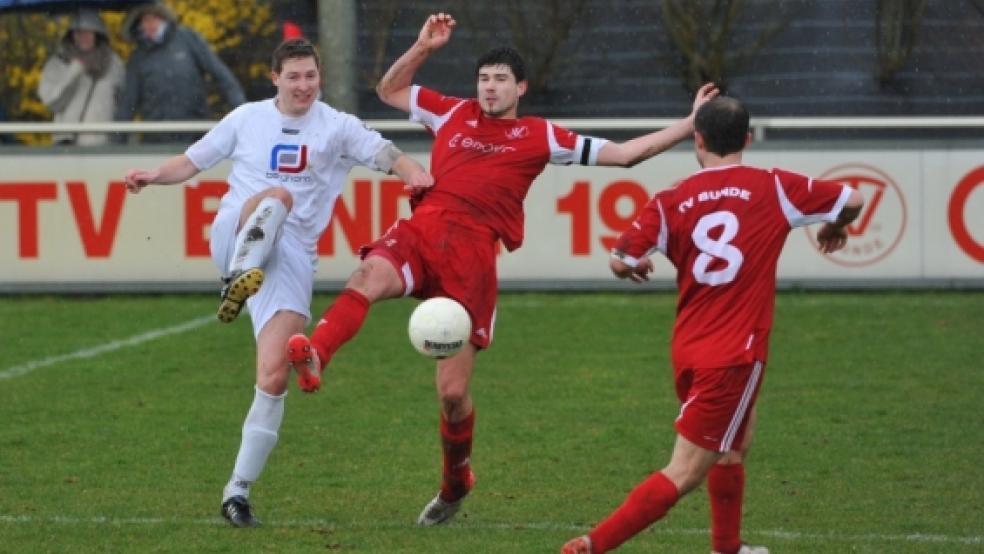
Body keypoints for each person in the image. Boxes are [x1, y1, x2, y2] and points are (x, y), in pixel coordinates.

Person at [284, 12, 719, 526]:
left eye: (500, 80)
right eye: (484, 79)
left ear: (520, 87)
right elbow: (389, 90)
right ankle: (317, 353)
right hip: (422, 232)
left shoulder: (540, 136)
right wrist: (424, 45)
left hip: (470, 262)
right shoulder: (452, 113)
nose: (489, 88)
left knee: (451, 396)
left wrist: (691, 125)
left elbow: (623, 155)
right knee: (366, 277)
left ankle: (454, 482)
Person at [122, 38, 432, 528]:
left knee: (273, 375)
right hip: (235, 230)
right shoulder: (247, 118)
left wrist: (416, 174)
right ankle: (238, 273)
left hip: (290, 258)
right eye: (294, 76)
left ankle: (237, 493)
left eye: (311, 75)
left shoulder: (336, 126)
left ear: (319, 77)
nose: (304, 85)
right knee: (278, 195)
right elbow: (191, 161)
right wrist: (151, 175)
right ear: (275, 79)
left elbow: (388, 154)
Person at [560, 96, 865, 554]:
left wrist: (632, 269)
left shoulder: (671, 198)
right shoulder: (774, 187)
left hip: (689, 347)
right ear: (746, 138)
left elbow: (620, 259)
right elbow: (854, 198)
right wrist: (834, 225)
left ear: (697, 139)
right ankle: (592, 545)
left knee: (734, 442)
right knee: (683, 471)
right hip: (734, 354)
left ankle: (727, 548)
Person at [115, 2, 246, 143]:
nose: (150, 24)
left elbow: (223, 77)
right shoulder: (138, 57)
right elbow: (128, 102)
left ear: (163, 17)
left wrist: (243, 116)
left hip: (195, 136)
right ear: (139, 25)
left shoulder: (188, 39)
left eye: (154, 18)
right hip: (156, 140)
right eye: (145, 20)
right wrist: (117, 143)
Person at [38, 8, 125, 146]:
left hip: (103, 145)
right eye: (78, 32)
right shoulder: (57, 63)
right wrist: (74, 71)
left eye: (88, 32)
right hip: (67, 145)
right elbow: (52, 102)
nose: (83, 37)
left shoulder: (114, 63)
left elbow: (124, 103)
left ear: (97, 34)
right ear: (71, 35)